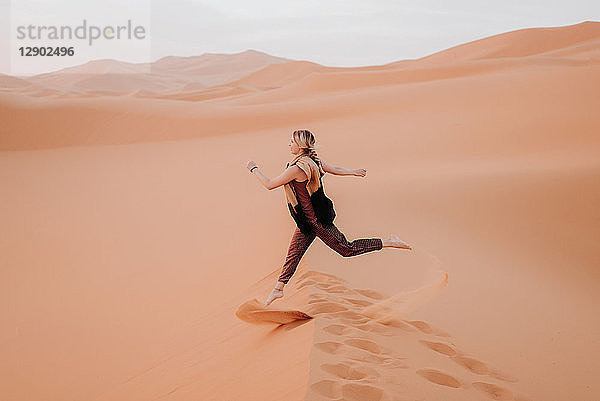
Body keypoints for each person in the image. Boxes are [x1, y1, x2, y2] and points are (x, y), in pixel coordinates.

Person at [247, 129, 412, 307]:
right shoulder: (313, 161)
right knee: (293, 254)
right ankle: (278, 289)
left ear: (301, 146)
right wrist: (352, 171)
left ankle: (389, 241)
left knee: (346, 249)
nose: (289, 144)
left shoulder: (297, 168)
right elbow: (334, 169)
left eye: (292, 142)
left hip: (316, 221)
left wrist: (254, 169)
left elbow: (270, 184)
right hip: (307, 221)